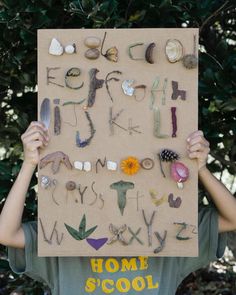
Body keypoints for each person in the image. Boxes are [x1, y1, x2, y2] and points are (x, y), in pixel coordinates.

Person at [0, 121, 235, 295]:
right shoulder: (65, 239)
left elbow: (232, 218)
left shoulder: (167, 235)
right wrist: (30, 163)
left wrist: (201, 168)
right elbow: (6, 234)